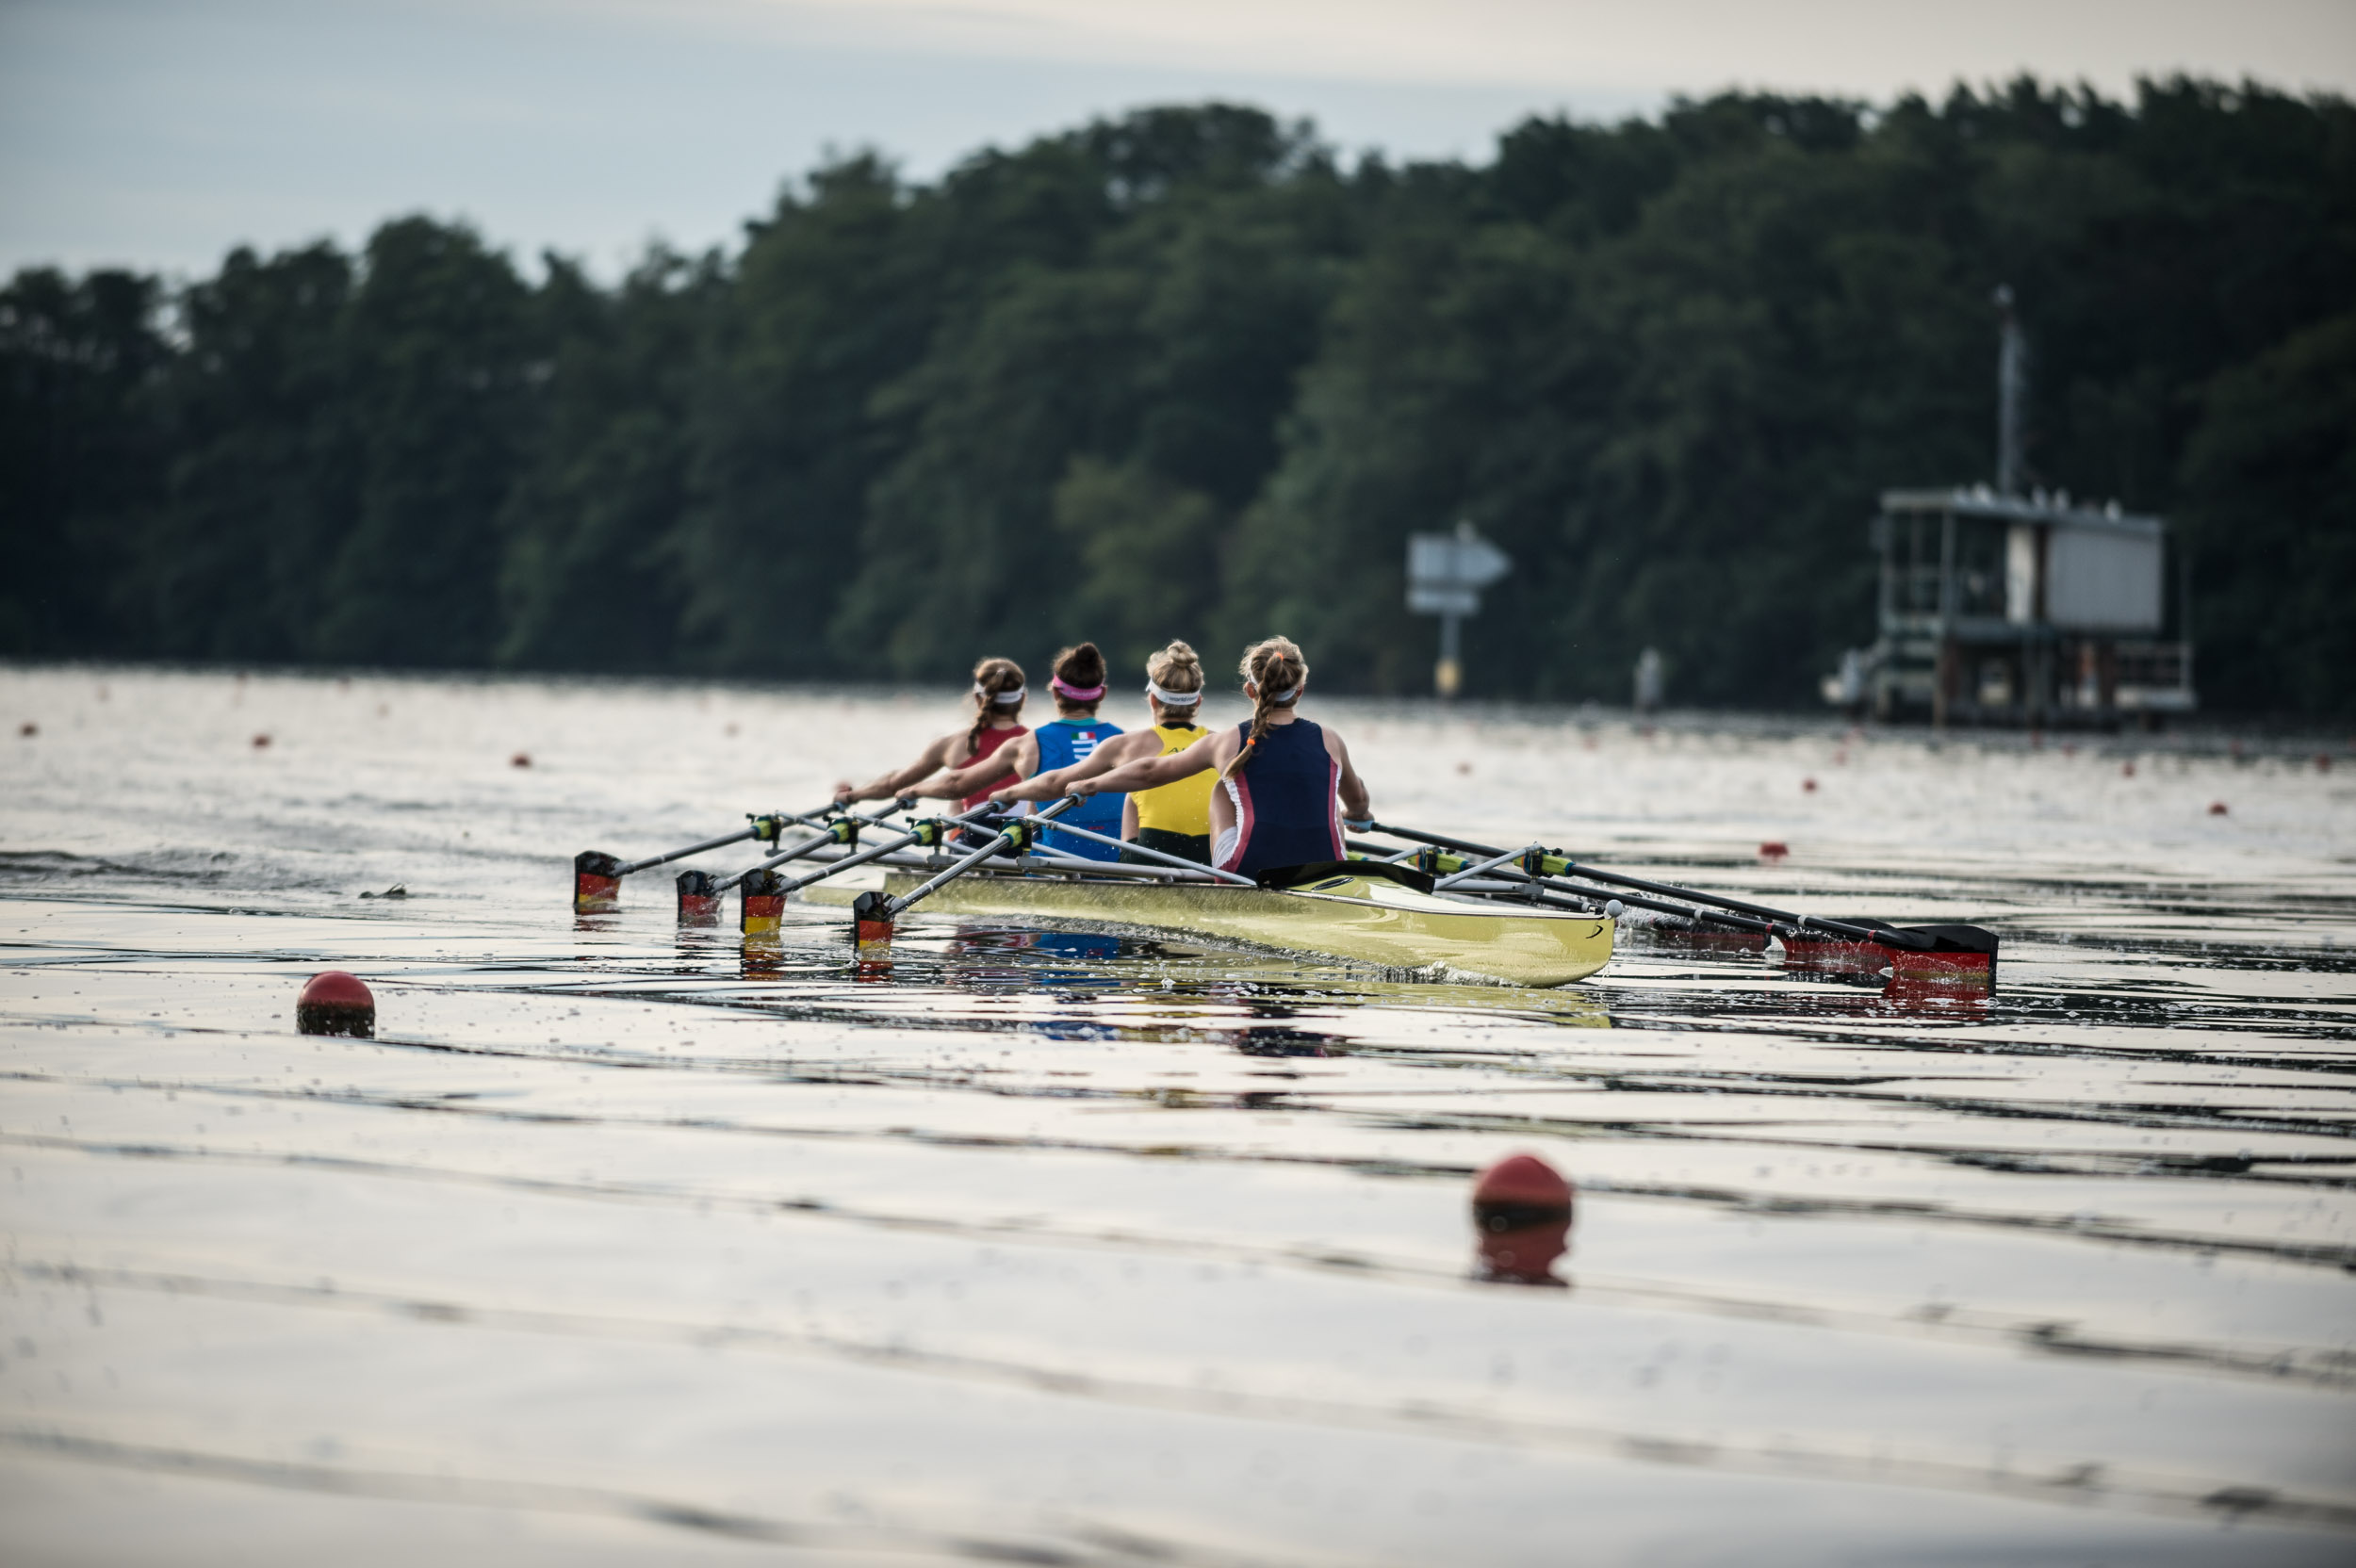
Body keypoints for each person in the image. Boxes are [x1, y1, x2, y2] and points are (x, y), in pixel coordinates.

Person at [1006, 635, 1370, 878]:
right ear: (1301, 690)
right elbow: (1358, 799)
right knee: (1326, 798)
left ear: (1249, 691)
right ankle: (1332, 866)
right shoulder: (1331, 740)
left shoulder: (1229, 741)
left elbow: (1150, 772)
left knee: (1221, 789)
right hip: (1327, 870)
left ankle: (1218, 886)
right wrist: (1359, 817)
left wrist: (1092, 783)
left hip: (1248, 870)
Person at [988, 640, 1218, 863]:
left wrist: (1010, 793)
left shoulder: (1127, 745)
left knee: (1131, 797)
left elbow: (1056, 783)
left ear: (1152, 700)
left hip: (1152, 857)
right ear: (1198, 701)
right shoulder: (1221, 743)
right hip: (1210, 859)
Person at [922, 644, 1126, 860]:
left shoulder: (1030, 743)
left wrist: (913, 791)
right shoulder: (1124, 740)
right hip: (1115, 860)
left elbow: (958, 784)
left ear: (1055, 692)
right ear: (1102, 693)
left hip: (1051, 861)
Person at [833, 656, 1029, 816]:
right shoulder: (1036, 742)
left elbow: (893, 784)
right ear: (1023, 699)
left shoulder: (951, 744)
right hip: (1024, 841)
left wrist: (852, 796)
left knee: (956, 806)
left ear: (977, 698)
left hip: (972, 839)